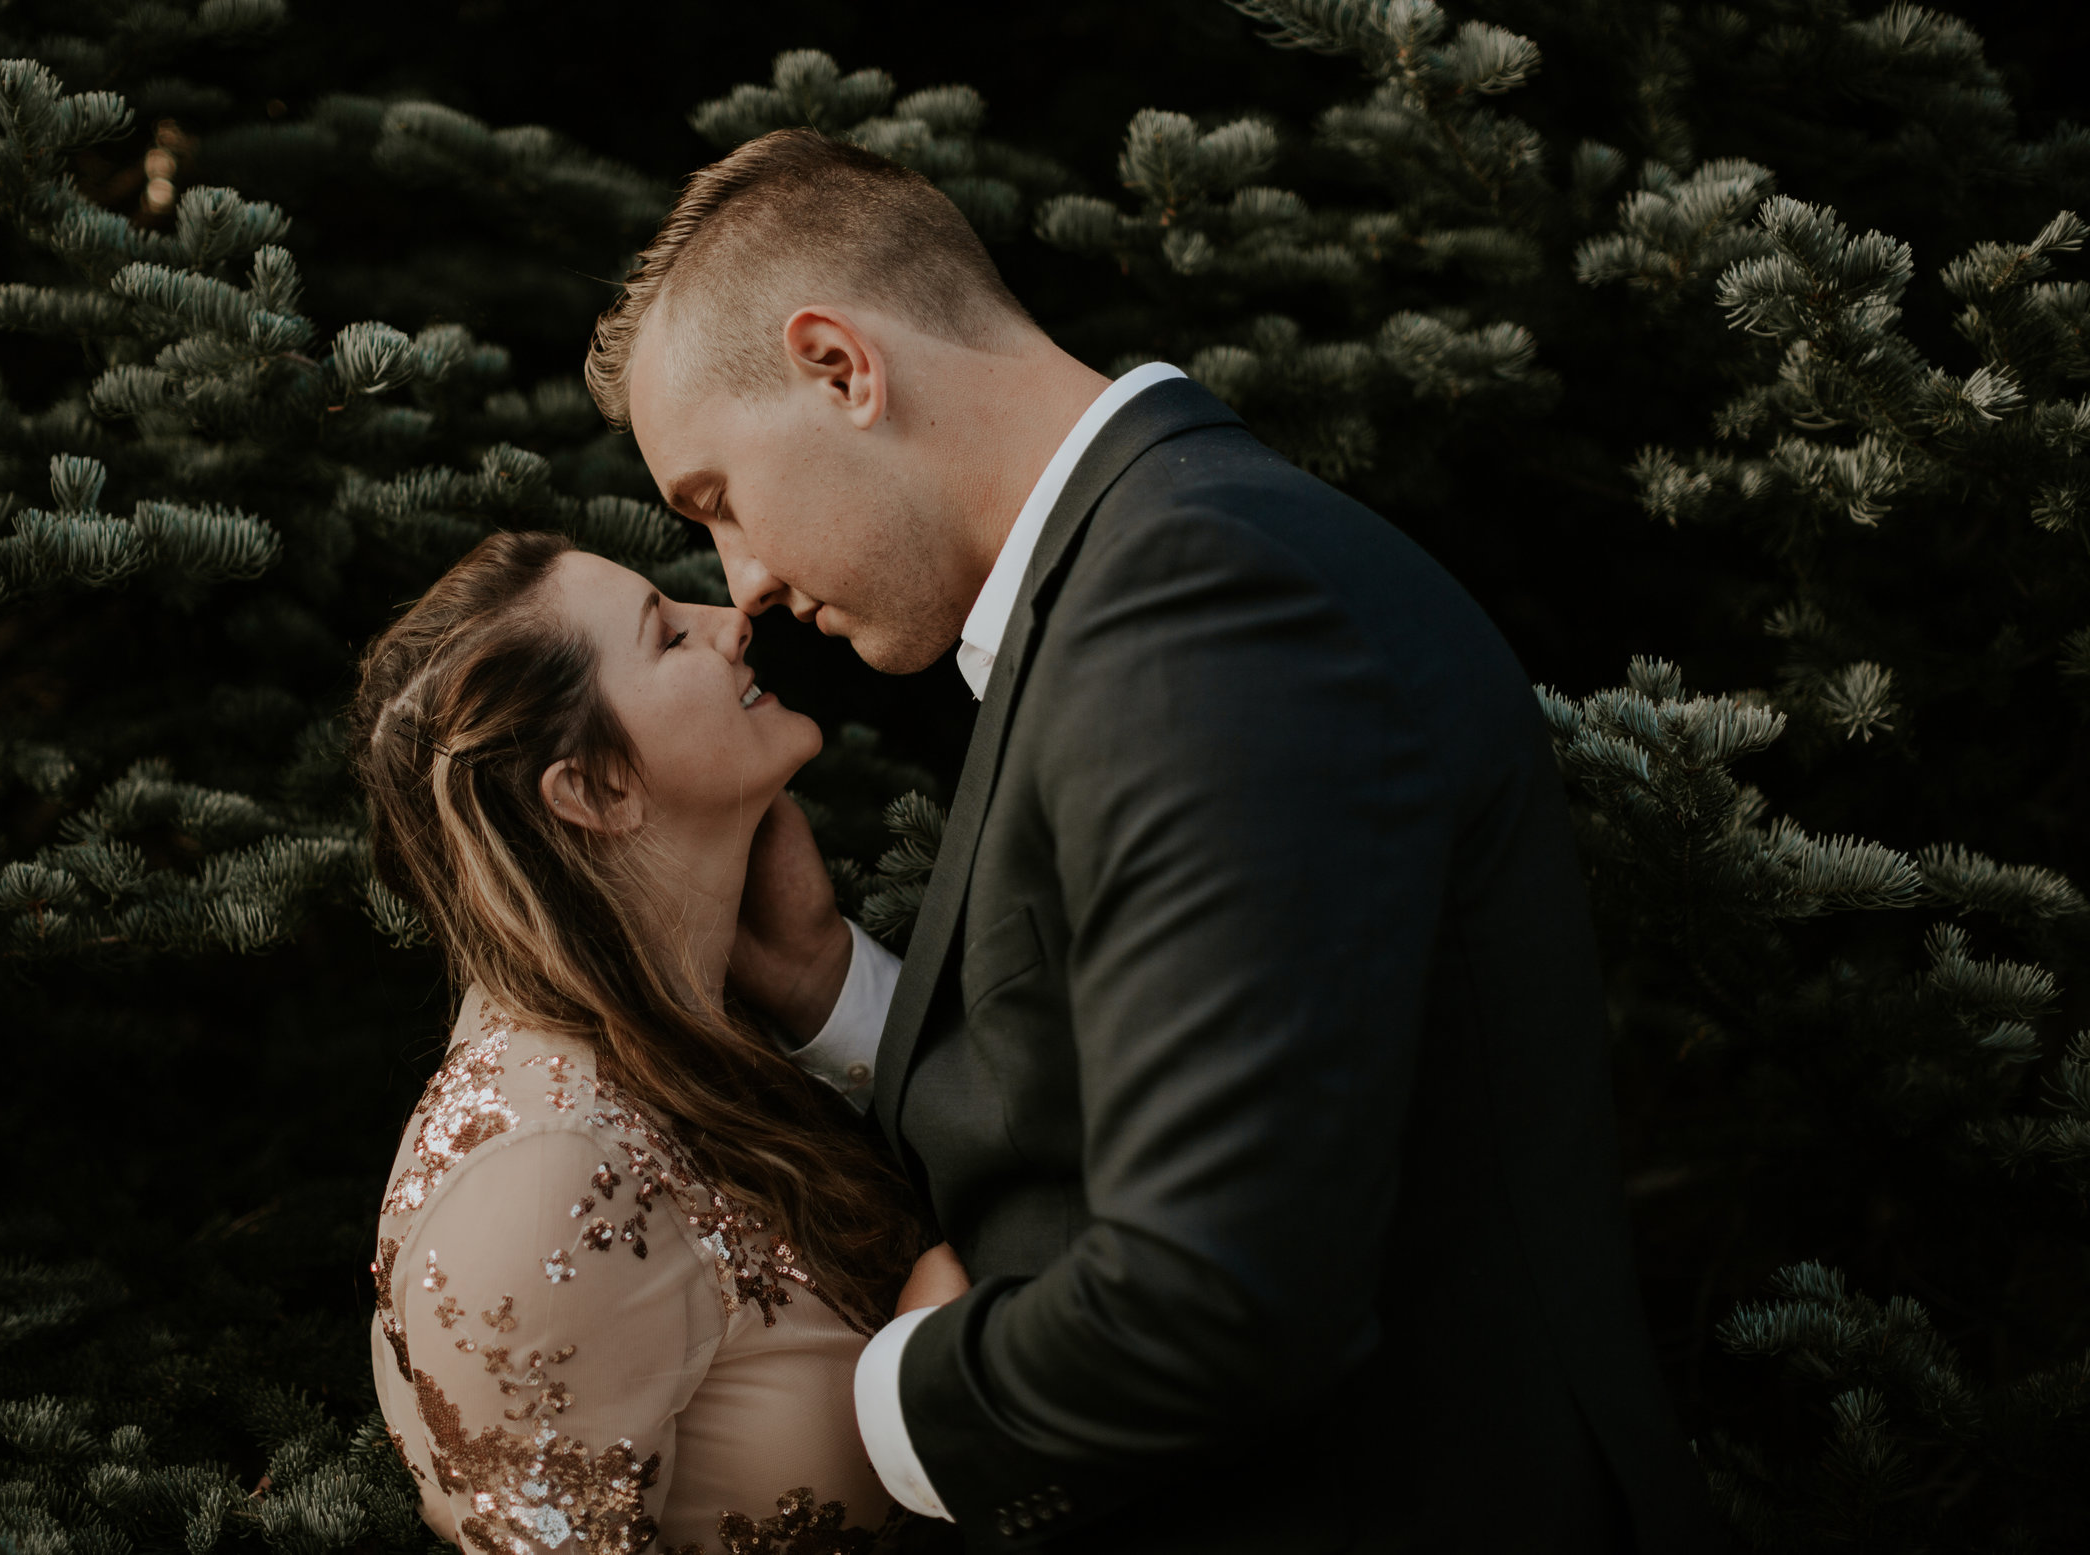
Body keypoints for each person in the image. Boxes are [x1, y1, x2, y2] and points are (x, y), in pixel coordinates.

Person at [582, 129, 1720, 1553]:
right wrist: (832, 987)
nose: (739, 583)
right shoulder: (1147, 576)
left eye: (715, 499)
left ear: (839, 366)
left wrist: (866, 1408)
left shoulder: (1202, 596)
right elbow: (1109, 1090)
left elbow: (1221, 1288)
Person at [349, 529, 944, 1554]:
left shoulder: (710, 1035)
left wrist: (812, 974)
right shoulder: (543, 1168)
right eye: (668, 635)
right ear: (593, 789)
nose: (730, 623)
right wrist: (935, 1376)